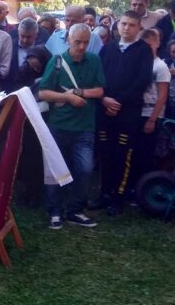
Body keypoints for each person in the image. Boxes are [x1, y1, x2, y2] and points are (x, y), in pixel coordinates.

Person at [38, 23, 105, 230]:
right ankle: (55, 211)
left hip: (84, 126)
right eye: (77, 42)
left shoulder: (94, 60)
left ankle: (75, 210)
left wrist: (78, 93)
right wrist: (67, 97)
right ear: (68, 39)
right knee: (55, 170)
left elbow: (100, 91)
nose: (82, 46)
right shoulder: (57, 61)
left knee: (85, 169)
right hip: (58, 125)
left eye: (86, 42)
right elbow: (43, 92)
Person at [93, 11, 153, 216]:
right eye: (124, 24)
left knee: (123, 154)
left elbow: (142, 80)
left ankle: (119, 197)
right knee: (104, 153)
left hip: (128, 112)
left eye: (132, 25)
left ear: (139, 28)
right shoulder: (108, 48)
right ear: (117, 26)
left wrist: (118, 101)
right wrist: (104, 99)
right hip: (104, 109)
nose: (127, 28)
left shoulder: (143, 50)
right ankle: (104, 193)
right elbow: (98, 76)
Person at [132, 28, 170, 190]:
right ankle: (132, 186)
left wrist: (153, 119)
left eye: (150, 45)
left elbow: (163, 95)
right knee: (134, 152)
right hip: (136, 112)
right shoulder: (138, 64)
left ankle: (144, 187)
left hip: (151, 113)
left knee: (145, 153)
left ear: (157, 44)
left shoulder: (160, 66)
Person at [5, 18, 43, 92]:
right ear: (18, 32)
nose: (25, 40)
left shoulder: (43, 50)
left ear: (36, 34)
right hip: (10, 91)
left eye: (29, 37)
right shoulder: (9, 45)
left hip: (33, 92)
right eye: (22, 36)